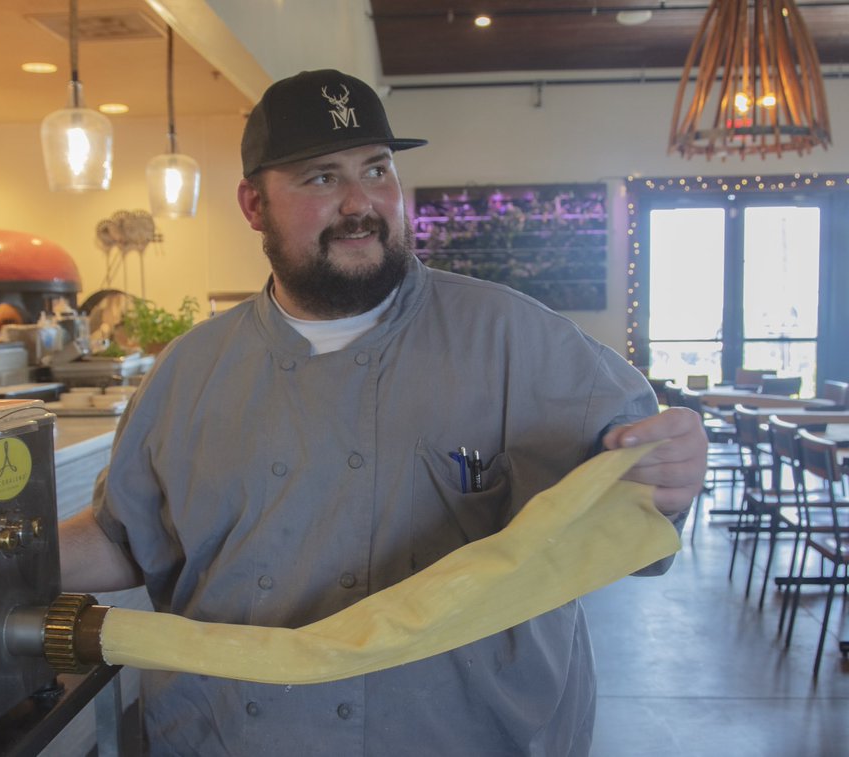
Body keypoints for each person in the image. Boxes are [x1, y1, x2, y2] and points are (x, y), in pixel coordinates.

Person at [59, 69, 707, 756]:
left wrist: (671, 475)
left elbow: (628, 508)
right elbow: (125, 537)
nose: (361, 202)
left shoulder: (517, 339)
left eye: (377, 169)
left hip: (464, 735)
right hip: (228, 733)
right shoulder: (190, 369)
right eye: (321, 178)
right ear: (253, 204)